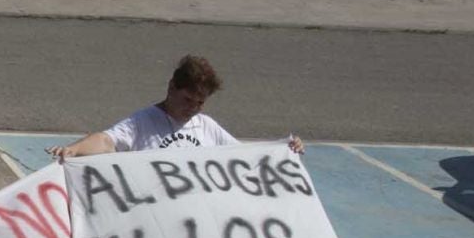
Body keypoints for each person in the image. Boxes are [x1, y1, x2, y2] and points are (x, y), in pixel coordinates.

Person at [50, 54, 303, 160]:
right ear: (172, 87)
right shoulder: (143, 122)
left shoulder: (206, 127)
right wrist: (73, 150)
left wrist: (285, 148)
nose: (192, 108)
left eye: (200, 103)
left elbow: (242, 156)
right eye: (187, 100)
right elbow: (106, 141)